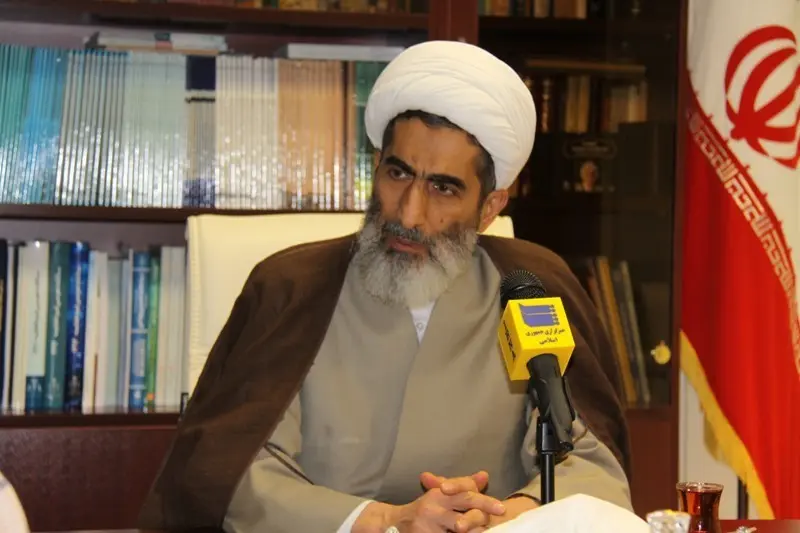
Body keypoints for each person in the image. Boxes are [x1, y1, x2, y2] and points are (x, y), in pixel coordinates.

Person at [138, 40, 631, 533]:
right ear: (376, 167)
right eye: (398, 173)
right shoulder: (292, 288)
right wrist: (384, 521)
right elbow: (233, 475)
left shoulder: (529, 288)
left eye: (443, 187)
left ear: (489, 208)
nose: (409, 214)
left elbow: (592, 463)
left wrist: (499, 517)